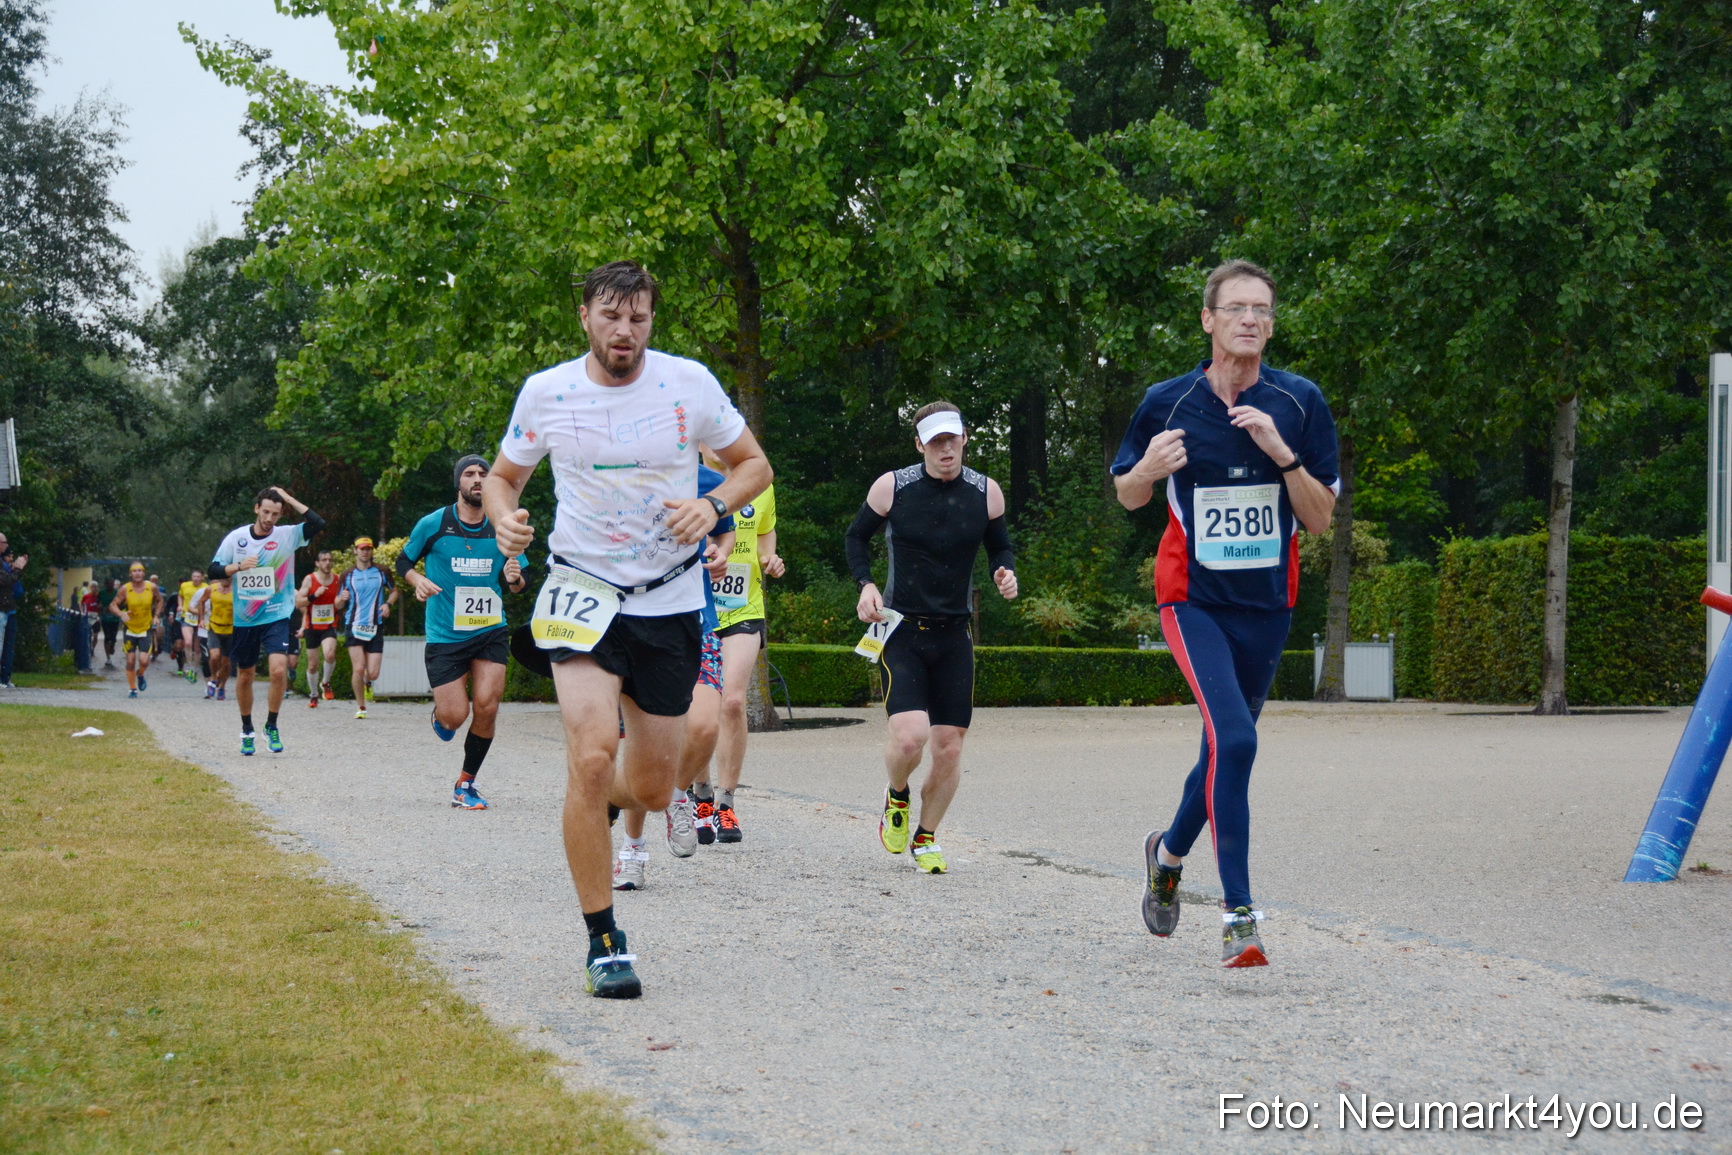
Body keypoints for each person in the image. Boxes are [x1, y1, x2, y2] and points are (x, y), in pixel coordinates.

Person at [483, 259, 772, 999]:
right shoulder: (547, 392)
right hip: (579, 590)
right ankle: (604, 937)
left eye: (638, 317)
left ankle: (613, 802)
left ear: (652, 319)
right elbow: (504, 474)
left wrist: (715, 508)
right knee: (588, 756)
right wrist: (503, 515)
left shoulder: (689, 384)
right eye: (611, 316)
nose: (625, 330)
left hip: (668, 601)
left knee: (645, 785)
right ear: (585, 316)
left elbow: (753, 466)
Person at [1110, 259, 1338, 968]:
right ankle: (1240, 915)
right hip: (1192, 598)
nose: (1250, 320)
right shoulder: (1168, 402)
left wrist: (1283, 455)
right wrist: (1147, 469)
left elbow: (1321, 519)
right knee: (1236, 741)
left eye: (1262, 310)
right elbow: (1127, 494)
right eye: (1236, 308)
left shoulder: (1300, 403)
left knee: (1220, 748)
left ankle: (1168, 854)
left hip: (1268, 604)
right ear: (1208, 320)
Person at [845, 402, 1018, 876]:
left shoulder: (986, 493)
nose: (946, 448)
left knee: (949, 747)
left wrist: (1006, 572)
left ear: (965, 439)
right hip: (902, 629)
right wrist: (866, 584)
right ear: (919, 444)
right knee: (909, 739)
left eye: (953, 438)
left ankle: (926, 837)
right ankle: (896, 796)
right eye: (936, 440)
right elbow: (855, 538)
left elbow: (1000, 545)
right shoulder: (893, 487)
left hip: (953, 635)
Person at [614, 464, 735, 887]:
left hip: (694, 621)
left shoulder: (703, 479)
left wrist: (720, 551)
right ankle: (632, 850)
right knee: (640, 745)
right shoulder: (615, 474)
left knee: (703, 729)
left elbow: (724, 530)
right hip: (632, 625)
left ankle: (678, 795)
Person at [398, 455, 529, 810]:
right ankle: (442, 714)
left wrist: (515, 578)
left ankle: (465, 783)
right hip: (444, 634)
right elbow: (403, 561)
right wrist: (416, 580)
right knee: (455, 716)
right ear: (458, 482)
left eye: (483, 475)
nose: (476, 479)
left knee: (487, 705)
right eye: (469, 474)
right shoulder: (434, 523)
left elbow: (519, 583)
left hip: (490, 630)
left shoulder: (503, 525)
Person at [688, 464, 782, 844]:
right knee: (701, 708)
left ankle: (726, 803)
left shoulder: (761, 487)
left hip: (745, 608)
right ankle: (701, 794)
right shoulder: (692, 481)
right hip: (698, 609)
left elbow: (766, 538)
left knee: (732, 701)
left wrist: (770, 560)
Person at [209, 487, 326, 755]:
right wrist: (238, 567)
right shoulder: (236, 538)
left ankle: (271, 725)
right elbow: (213, 569)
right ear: (256, 509)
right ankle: (247, 729)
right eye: (265, 512)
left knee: (277, 669)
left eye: (275, 513)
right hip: (245, 619)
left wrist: (289, 498)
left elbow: (317, 523)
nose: (269, 518)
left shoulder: (287, 535)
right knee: (246, 675)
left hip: (277, 613)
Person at [336, 537, 398, 719]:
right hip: (353, 625)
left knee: (373, 672)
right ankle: (361, 707)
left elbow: (394, 591)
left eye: (368, 549)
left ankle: (368, 683)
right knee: (358, 668)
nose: (365, 552)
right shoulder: (346, 575)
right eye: (362, 549)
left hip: (375, 626)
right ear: (355, 551)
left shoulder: (382, 571)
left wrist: (388, 604)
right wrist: (342, 599)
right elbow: (337, 604)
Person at [108, 562, 162, 698]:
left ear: (144, 573)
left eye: (140, 571)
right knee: (130, 660)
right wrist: (121, 614)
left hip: (145, 628)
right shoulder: (125, 589)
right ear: (130, 574)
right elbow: (113, 605)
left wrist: (156, 616)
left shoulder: (152, 587)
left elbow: (160, 601)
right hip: (130, 629)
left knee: (144, 661)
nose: (137, 573)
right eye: (134, 571)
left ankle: (141, 674)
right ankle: (132, 688)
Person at [295, 550, 342, 706]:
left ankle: (326, 682)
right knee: (312, 664)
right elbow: (299, 603)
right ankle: (314, 694)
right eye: (323, 560)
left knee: (329, 654)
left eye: (330, 560)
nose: (327, 563)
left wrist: (341, 601)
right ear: (317, 563)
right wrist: (314, 595)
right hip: (312, 626)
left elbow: (340, 603)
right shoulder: (310, 579)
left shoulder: (337, 580)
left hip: (329, 625)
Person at [197, 576, 234, 700]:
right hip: (214, 627)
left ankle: (222, 686)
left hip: (231, 629)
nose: (225, 580)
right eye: (223, 577)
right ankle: (213, 678)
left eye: (228, 578)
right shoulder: (211, 589)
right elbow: (201, 602)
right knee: (214, 656)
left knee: (226, 663)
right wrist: (202, 618)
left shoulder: (237, 590)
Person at [0, 534, 24, 689]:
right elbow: (5, 580)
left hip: (8, 607)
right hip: (1, 608)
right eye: (5, 543)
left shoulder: (3, 564)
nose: (7, 546)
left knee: (8, 645)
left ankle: (4, 677)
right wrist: (17, 569)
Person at [176, 570, 207, 681]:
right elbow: (180, 596)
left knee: (197, 647)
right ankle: (189, 665)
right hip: (187, 616)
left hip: (200, 618)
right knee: (188, 642)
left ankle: (195, 667)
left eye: (198, 577)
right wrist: (180, 605)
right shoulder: (185, 585)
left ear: (202, 578)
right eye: (193, 576)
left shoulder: (206, 588)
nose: (195, 578)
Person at [97, 578, 121, 669]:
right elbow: (98, 603)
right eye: (108, 583)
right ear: (106, 584)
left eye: (112, 583)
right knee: (107, 636)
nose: (110, 585)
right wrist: (101, 606)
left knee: (113, 637)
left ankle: (112, 645)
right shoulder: (102, 593)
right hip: (105, 618)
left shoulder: (117, 593)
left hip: (115, 619)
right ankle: (108, 658)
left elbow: (121, 603)